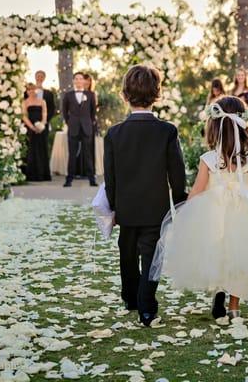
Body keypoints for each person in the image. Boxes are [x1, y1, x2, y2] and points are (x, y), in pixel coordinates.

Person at [151, 96, 248, 320]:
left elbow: (197, 190)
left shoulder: (209, 159)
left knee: (217, 253)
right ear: (243, 127)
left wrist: (187, 212)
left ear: (214, 128)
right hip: (245, 214)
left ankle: (218, 292)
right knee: (241, 259)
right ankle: (234, 307)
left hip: (214, 212)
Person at [104, 65, 186, 327]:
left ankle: (130, 297)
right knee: (152, 257)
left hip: (126, 208)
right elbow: (177, 173)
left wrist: (113, 206)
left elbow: (110, 176)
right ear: (157, 94)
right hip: (155, 208)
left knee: (126, 252)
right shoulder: (167, 131)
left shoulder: (114, 133)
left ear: (125, 95)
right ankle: (146, 308)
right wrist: (181, 201)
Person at [61, 72, 97, 187]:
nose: (78, 81)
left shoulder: (90, 95)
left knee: (88, 154)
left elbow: (93, 112)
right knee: (72, 154)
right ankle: (69, 179)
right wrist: (70, 122)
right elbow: (64, 112)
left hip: (86, 128)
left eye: (80, 79)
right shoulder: (68, 95)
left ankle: (92, 179)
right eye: (76, 79)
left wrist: (89, 123)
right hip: (73, 127)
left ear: (84, 81)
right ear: (73, 81)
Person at [22, 83, 51, 182]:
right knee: (31, 150)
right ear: (26, 91)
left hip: (41, 128)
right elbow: (24, 116)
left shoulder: (42, 101)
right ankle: (31, 175)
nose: (31, 91)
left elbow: (44, 114)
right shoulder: (25, 102)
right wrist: (32, 127)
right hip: (30, 128)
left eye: (32, 89)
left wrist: (42, 125)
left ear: (36, 90)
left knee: (41, 150)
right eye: (29, 90)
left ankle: (43, 174)